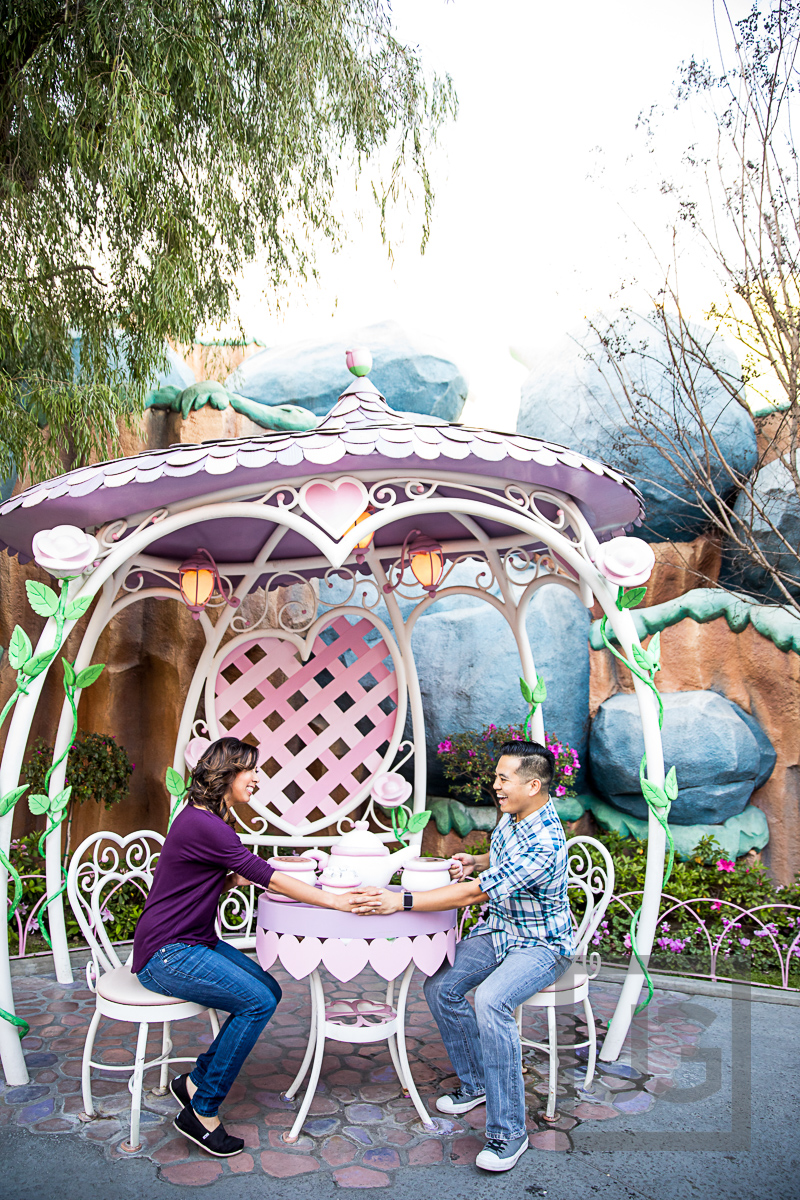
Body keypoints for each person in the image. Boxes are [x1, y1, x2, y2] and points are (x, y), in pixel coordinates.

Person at [133, 737, 368, 1158]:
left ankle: (192, 1082)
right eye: (251, 771)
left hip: (189, 941)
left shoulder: (202, 819)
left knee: (269, 992)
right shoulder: (206, 824)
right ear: (226, 775)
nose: (257, 779)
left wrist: (231, 878)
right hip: (167, 953)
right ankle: (201, 1110)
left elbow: (201, 881)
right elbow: (270, 876)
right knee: (257, 1001)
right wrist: (334, 899)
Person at [351, 740, 574, 1173]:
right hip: (501, 932)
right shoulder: (515, 816)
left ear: (533, 784)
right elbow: (502, 860)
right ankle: (476, 1083)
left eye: (503, 779)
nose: (495, 786)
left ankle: (510, 1133)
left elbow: (475, 894)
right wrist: (476, 858)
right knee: (441, 985)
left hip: (542, 945)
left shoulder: (546, 838)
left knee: (492, 1000)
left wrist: (401, 902)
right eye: (496, 777)